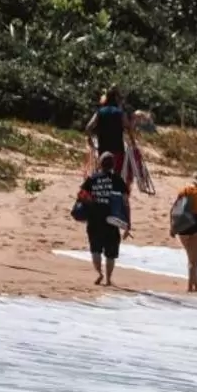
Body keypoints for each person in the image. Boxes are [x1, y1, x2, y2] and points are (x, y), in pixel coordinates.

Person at [76, 153, 131, 287]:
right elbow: (125, 202)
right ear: (113, 165)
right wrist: (128, 224)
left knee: (96, 249)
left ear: (100, 164)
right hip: (112, 220)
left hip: (94, 219)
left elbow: (81, 196)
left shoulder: (92, 179)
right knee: (111, 252)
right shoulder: (117, 180)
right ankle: (108, 279)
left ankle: (99, 273)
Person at [85, 90, 127, 175]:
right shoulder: (120, 113)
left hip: (103, 147)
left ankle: (103, 185)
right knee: (117, 173)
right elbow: (128, 127)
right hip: (117, 147)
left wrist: (90, 139)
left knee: (103, 170)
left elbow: (88, 127)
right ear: (116, 99)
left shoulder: (100, 112)